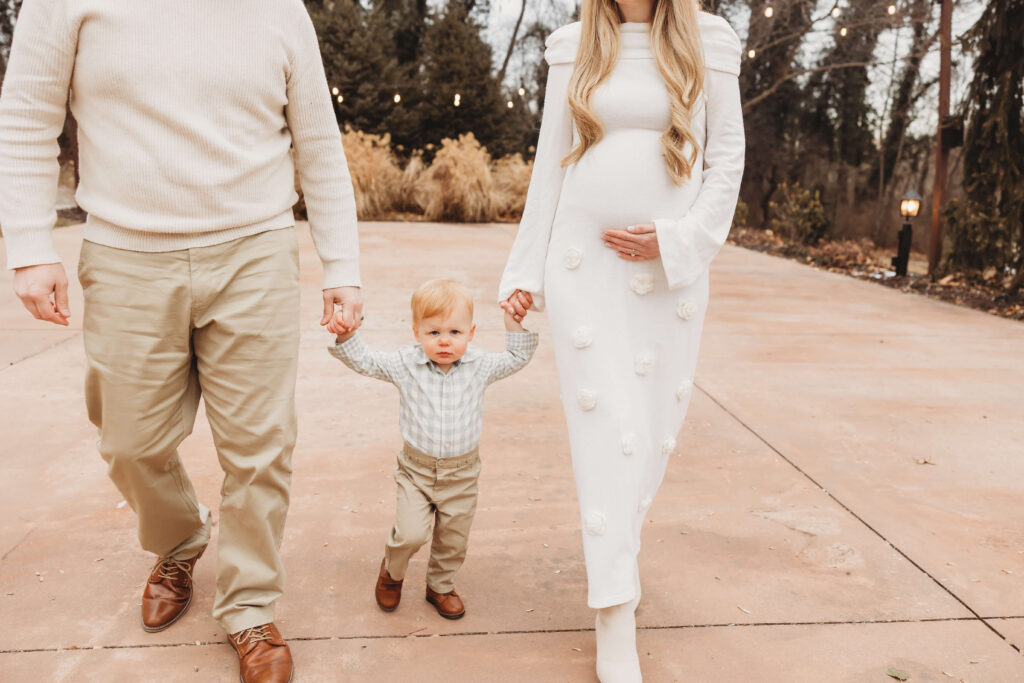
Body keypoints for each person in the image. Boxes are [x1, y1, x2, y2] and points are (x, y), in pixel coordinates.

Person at [0, 1, 362, 680]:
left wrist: (342, 264)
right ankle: (179, 536)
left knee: (261, 447)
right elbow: (25, 112)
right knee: (129, 440)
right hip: (125, 250)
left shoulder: (279, 11)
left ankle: (250, 605)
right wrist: (28, 243)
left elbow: (317, 138)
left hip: (255, 247)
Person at [498, 0, 744, 679]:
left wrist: (678, 242)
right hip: (584, 268)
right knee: (606, 430)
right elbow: (552, 162)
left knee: (651, 431)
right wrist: (524, 270)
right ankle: (615, 613)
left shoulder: (711, 40)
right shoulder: (571, 44)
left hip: (671, 277)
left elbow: (727, 158)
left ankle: (620, 558)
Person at [328, 279, 538, 620]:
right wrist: (346, 334)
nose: (444, 341)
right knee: (410, 533)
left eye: (454, 332)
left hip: (462, 473)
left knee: (453, 539)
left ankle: (440, 585)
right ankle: (391, 573)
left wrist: (513, 322)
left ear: (471, 333)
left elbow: (516, 357)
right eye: (433, 332)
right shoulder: (404, 365)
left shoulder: (480, 366)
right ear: (416, 332)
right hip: (417, 471)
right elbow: (365, 361)